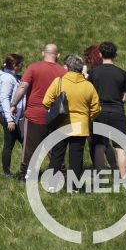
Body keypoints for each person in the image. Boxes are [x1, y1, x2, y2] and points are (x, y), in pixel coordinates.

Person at [42, 54, 101, 192]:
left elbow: (46, 102)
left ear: (67, 67)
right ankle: (74, 187)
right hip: (80, 127)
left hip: (61, 125)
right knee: (76, 157)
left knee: (57, 156)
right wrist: (88, 118)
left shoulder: (59, 82)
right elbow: (96, 108)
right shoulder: (88, 86)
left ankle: (51, 185)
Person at [10, 44, 67, 182]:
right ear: (57, 56)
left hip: (35, 114)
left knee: (30, 147)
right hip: (56, 116)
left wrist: (13, 104)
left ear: (43, 53)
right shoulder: (63, 72)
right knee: (54, 147)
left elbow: (23, 86)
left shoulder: (34, 67)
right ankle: (61, 173)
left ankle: (26, 175)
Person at [87, 41, 126, 178]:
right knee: (120, 147)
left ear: (100, 54)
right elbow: (124, 98)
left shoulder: (93, 73)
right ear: (115, 55)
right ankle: (124, 179)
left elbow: (89, 94)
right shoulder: (122, 73)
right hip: (118, 112)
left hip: (99, 113)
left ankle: (100, 178)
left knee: (99, 146)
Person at [0, 54, 26, 177]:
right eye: (21, 63)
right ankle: (7, 173)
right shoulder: (7, 79)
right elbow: (5, 99)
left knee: (17, 142)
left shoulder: (12, 77)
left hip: (13, 115)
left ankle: (15, 171)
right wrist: (9, 120)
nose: (23, 65)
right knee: (10, 143)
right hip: (8, 115)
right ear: (15, 65)